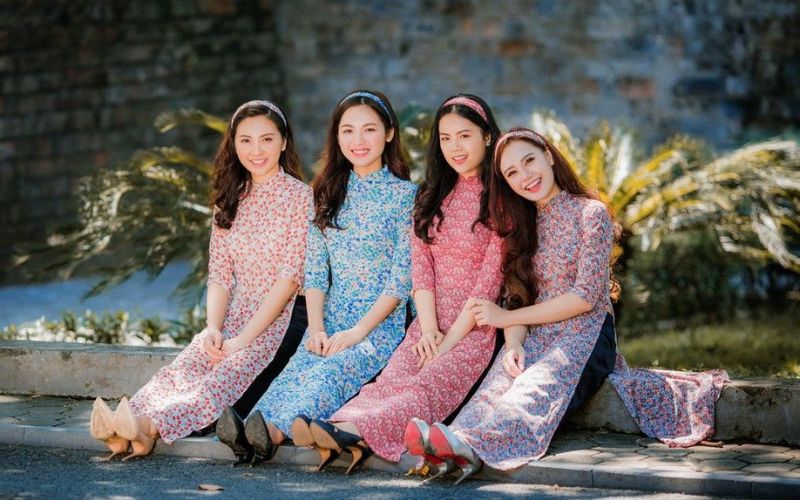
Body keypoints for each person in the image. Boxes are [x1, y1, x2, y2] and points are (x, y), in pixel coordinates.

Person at [418, 128, 728, 481]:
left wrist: (510, 317)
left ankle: (472, 447)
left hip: (587, 333)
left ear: (549, 156)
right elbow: (519, 296)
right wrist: (514, 343)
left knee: (534, 389)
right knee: (498, 384)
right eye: (512, 173)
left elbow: (584, 298)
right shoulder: (523, 226)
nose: (525, 176)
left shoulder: (589, 213)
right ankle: (455, 445)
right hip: (535, 332)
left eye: (529, 161)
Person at [88, 100, 312, 461]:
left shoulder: (300, 198)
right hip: (235, 312)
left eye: (267, 139)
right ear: (233, 144)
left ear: (284, 143)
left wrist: (241, 340)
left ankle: (148, 429)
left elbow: (289, 280)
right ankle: (128, 424)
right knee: (188, 364)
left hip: (278, 319)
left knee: (225, 375)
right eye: (246, 141)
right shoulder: (229, 201)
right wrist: (212, 328)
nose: (256, 151)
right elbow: (220, 273)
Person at [217, 90, 417, 473]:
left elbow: (400, 280)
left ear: (389, 134)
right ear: (336, 138)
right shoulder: (326, 194)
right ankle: (252, 430)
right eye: (348, 131)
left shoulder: (405, 197)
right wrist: (318, 326)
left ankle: (269, 435)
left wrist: (357, 332)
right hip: (329, 319)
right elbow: (315, 271)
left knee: (331, 370)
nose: (358, 141)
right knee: (300, 368)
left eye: (369, 130)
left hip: (377, 325)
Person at [314, 95, 503, 478]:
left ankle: (354, 433)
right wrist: (430, 327)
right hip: (429, 322)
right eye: (446, 138)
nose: (455, 147)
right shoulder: (432, 196)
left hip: (476, 328)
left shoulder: (501, 199)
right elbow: (421, 267)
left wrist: (447, 342)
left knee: (425, 383)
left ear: (486, 137)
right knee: (392, 378)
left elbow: (488, 282)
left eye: (464, 136)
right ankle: (345, 425)